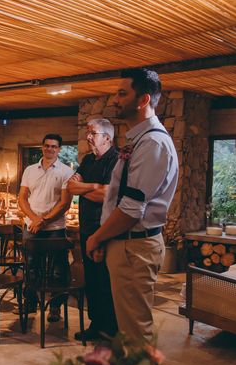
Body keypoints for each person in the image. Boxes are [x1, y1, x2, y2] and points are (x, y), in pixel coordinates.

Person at [86, 68, 178, 342]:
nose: (115, 99)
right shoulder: (138, 140)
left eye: (122, 93)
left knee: (136, 334)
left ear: (143, 100)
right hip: (124, 244)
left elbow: (130, 209)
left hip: (135, 247)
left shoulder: (153, 144)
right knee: (127, 330)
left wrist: (95, 238)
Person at [67, 118, 118, 341]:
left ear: (107, 137)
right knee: (92, 281)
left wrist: (83, 188)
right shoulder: (88, 160)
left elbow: (110, 194)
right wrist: (95, 187)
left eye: (93, 133)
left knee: (106, 282)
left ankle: (112, 329)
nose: (88, 136)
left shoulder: (115, 160)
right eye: (87, 132)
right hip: (86, 228)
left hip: (105, 229)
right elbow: (70, 186)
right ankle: (96, 325)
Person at [18, 134, 74, 322]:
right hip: (32, 227)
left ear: (59, 149)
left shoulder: (67, 172)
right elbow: (22, 198)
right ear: (42, 147)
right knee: (31, 266)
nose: (50, 149)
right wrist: (34, 219)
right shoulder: (30, 170)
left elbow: (65, 203)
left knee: (58, 269)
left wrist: (44, 220)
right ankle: (31, 303)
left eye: (54, 146)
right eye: (47, 145)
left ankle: (55, 307)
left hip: (55, 228)